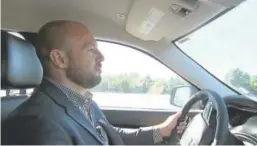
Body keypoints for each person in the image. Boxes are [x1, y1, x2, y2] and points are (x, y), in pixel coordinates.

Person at [2, 20, 185, 145]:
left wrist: (161, 131)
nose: (101, 57)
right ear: (59, 59)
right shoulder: (36, 123)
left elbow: (109, 136)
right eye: (91, 50)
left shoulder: (82, 101)